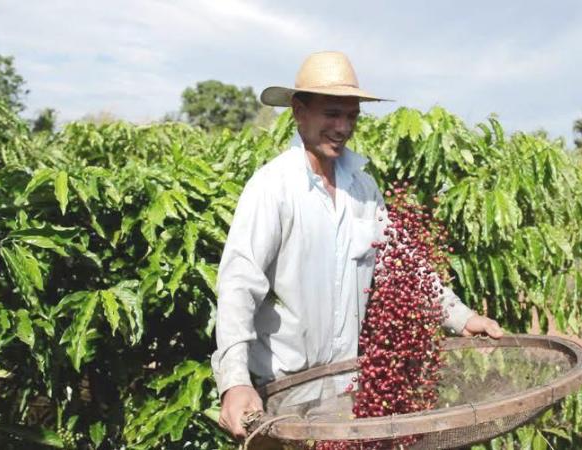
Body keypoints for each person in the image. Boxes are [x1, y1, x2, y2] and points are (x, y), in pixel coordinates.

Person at [211, 51, 503, 439]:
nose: (342, 127)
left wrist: (462, 317)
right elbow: (238, 285)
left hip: (347, 394)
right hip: (285, 398)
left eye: (351, 117)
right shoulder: (273, 188)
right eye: (332, 114)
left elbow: (403, 266)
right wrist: (234, 382)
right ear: (299, 111)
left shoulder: (363, 189)